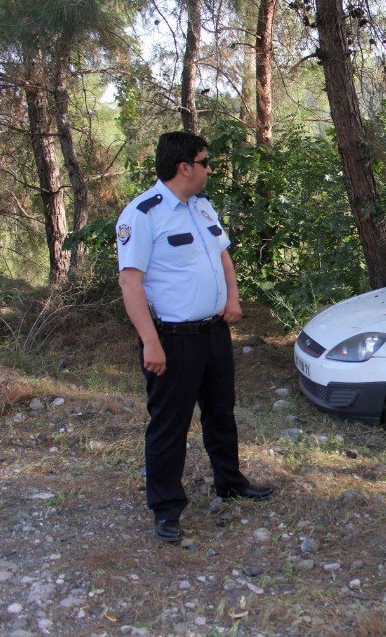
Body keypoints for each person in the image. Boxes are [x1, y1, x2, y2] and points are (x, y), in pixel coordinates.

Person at [116, 131, 273, 544]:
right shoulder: (143, 214)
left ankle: (230, 481)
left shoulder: (202, 208)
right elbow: (131, 284)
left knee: (221, 412)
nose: (209, 169)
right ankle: (166, 509)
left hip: (213, 332)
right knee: (170, 425)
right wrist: (150, 341)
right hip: (172, 338)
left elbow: (222, 255)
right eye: (205, 162)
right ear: (184, 167)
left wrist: (233, 298)